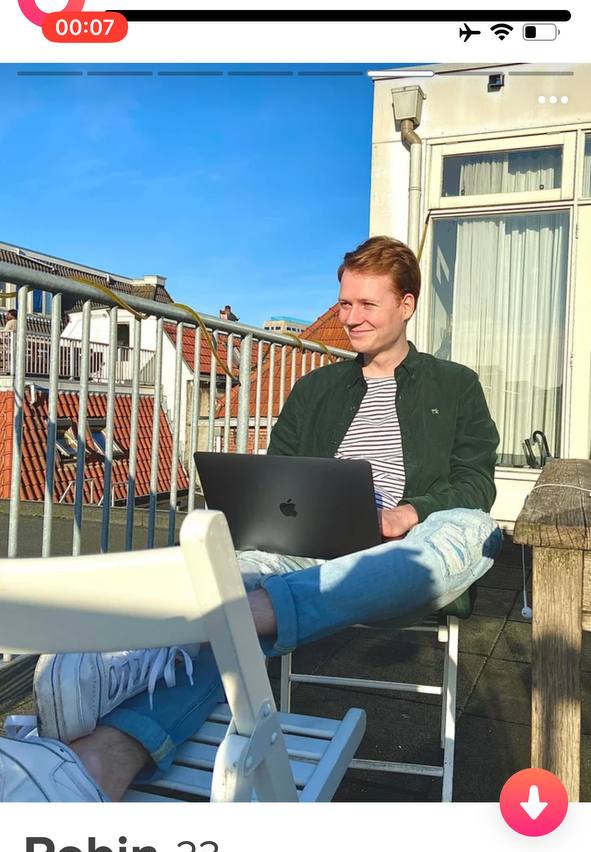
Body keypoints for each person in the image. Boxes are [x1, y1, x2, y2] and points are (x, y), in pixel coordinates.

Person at [0, 236, 502, 801]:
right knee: (218, 568)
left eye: (368, 304)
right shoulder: (316, 388)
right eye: (344, 303)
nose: (351, 318)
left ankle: (207, 624)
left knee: (474, 530)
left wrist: (408, 513)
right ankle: (100, 757)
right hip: (310, 549)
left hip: (402, 554)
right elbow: (278, 478)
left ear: (406, 305)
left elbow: (475, 482)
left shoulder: (454, 385)